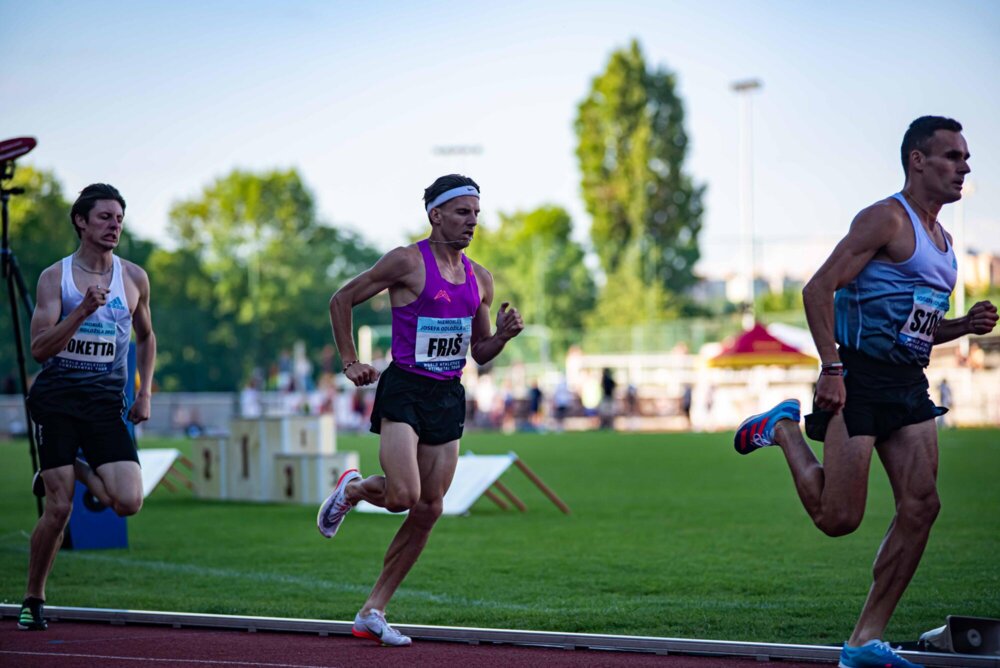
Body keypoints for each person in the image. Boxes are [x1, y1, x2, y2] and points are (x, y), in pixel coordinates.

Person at [733, 117, 997, 668]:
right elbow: (817, 290)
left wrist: (962, 326)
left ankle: (863, 642)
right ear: (917, 160)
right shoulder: (885, 219)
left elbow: (915, 328)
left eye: (966, 158)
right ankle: (782, 429)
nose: (964, 166)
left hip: (906, 384)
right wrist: (831, 367)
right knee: (838, 519)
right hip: (856, 377)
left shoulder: (946, 244)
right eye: (952, 156)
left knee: (922, 506)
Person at [316, 174, 524, 647]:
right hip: (405, 388)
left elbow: (480, 351)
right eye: (462, 212)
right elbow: (341, 299)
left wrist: (505, 336)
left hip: (448, 393)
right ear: (436, 214)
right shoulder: (406, 262)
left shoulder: (480, 278)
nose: (472, 221)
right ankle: (353, 490)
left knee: (430, 506)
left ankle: (374, 609)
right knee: (402, 496)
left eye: (476, 213)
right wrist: (350, 361)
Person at [19, 184, 156, 631]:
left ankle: (75, 465)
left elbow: (147, 337)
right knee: (58, 510)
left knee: (129, 502)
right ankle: (33, 599)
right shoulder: (54, 278)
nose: (114, 225)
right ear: (81, 221)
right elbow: (39, 349)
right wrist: (79, 313)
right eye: (104, 217)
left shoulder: (133, 278)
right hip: (58, 399)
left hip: (103, 403)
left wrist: (145, 393)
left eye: (119, 217)